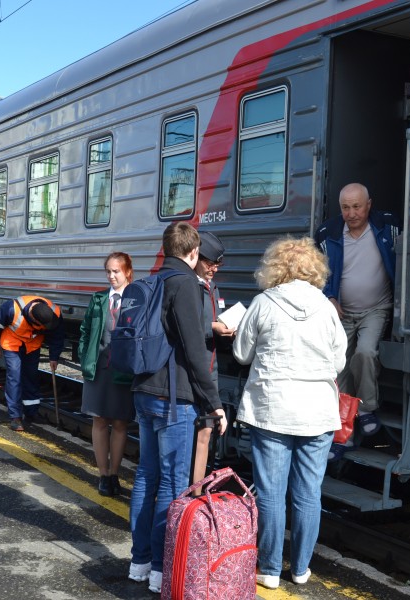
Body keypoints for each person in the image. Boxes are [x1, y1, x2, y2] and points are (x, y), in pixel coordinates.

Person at [232, 236, 347, 590]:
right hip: (316, 411)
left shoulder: (264, 303)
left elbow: (241, 354)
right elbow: (339, 360)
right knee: (309, 493)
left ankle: (268, 569)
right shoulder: (327, 308)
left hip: (272, 409)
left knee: (270, 492)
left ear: (276, 267)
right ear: (314, 268)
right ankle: (300, 569)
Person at [128, 222, 227, 594]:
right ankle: (160, 568)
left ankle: (139, 561)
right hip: (174, 398)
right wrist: (214, 404)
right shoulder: (185, 284)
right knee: (171, 483)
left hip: (144, 392)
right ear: (192, 251)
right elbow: (194, 351)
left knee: (145, 477)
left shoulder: (152, 280)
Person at [314, 182, 401, 460]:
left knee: (364, 353)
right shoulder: (328, 233)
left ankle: (366, 409)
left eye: (357, 206)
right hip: (342, 312)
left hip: (376, 308)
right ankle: (343, 437)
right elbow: (317, 272)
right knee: (339, 371)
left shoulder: (388, 227)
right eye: (345, 207)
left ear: (369, 205)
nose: (351, 213)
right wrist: (329, 297)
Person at [79, 252, 135, 497]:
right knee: (100, 420)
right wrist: (84, 356)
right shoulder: (98, 299)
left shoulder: (136, 298)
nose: (112, 277)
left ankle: (115, 473)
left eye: (117, 272)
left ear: (128, 272)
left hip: (123, 370)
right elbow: (85, 330)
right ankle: (103, 475)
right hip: (99, 369)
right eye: (109, 272)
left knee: (121, 422)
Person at [190, 231, 235, 487]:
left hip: (211, 369)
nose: (214, 269)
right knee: (192, 436)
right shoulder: (188, 286)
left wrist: (228, 332)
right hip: (193, 372)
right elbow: (187, 327)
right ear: (196, 256)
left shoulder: (213, 288)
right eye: (210, 263)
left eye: (217, 264)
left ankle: (196, 493)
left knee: (206, 432)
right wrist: (212, 328)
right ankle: (186, 494)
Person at [0, 295, 65, 431]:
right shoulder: (11, 309)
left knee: (31, 376)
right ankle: (15, 417)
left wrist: (54, 357)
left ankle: (32, 413)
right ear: (32, 317)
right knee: (15, 376)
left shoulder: (54, 313)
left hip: (32, 344)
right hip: (11, 342)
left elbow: (57, 336)